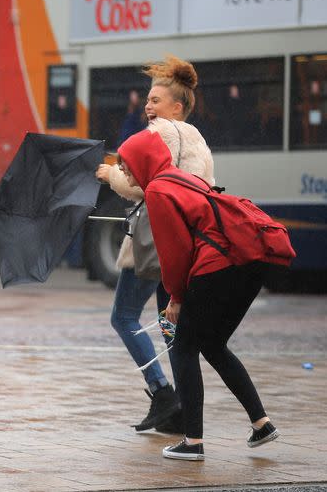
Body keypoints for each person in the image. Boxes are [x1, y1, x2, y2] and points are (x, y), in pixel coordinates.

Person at [117, 129, 279, 461]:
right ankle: (261, 424)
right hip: (247, 262)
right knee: (212, 344)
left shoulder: (159, 190)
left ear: (142, 160)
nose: (125, 172)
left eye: (127, 165)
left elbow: (176, 253)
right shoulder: (179, 178)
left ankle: (192, 442)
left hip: (219, 266)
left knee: (183, 346)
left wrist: (175, 299)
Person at [95, 55, 214, 434]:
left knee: (123, 316)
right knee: (170, 325)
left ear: (176, 107)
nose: (148, 106)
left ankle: (163, 393)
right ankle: (180, 413)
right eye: (147, 99)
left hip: (156, 239)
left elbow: (138, 185)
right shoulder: (198, 139)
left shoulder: (159, 133)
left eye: (156, 100)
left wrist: (109, 173)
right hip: (188, 243)